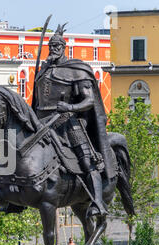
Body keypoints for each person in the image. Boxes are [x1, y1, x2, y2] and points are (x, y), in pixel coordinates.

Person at [31, 23, 115, 218]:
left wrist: (70, 107)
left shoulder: (75, 70)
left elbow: (89, 100)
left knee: (86, 161)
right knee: (21, 150)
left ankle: (98, 202)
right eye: (51, 46)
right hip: (42, 122)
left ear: (64, 48)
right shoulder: (43, 70)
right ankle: (15, 200)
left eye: (57, 46)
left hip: (68, 122)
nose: (53, 50)